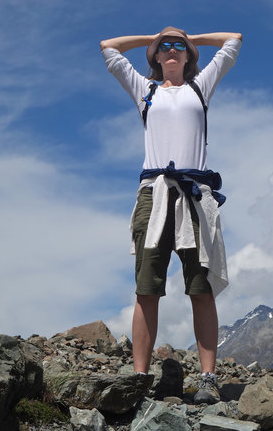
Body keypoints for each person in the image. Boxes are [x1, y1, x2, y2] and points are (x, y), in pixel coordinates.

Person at [100, 26, 242, 404]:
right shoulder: (143, 89)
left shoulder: (201, 86)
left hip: (195, 197)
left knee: (201, 288)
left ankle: (208, 379)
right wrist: (155, 35)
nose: (173, 50)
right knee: (147, 289)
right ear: (156, 57)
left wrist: (187, 35)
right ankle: (140, 378)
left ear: (189, 55)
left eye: (179, 46)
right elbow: (109, 47)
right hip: (154, 194)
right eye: (165, 47)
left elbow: (234, 40)